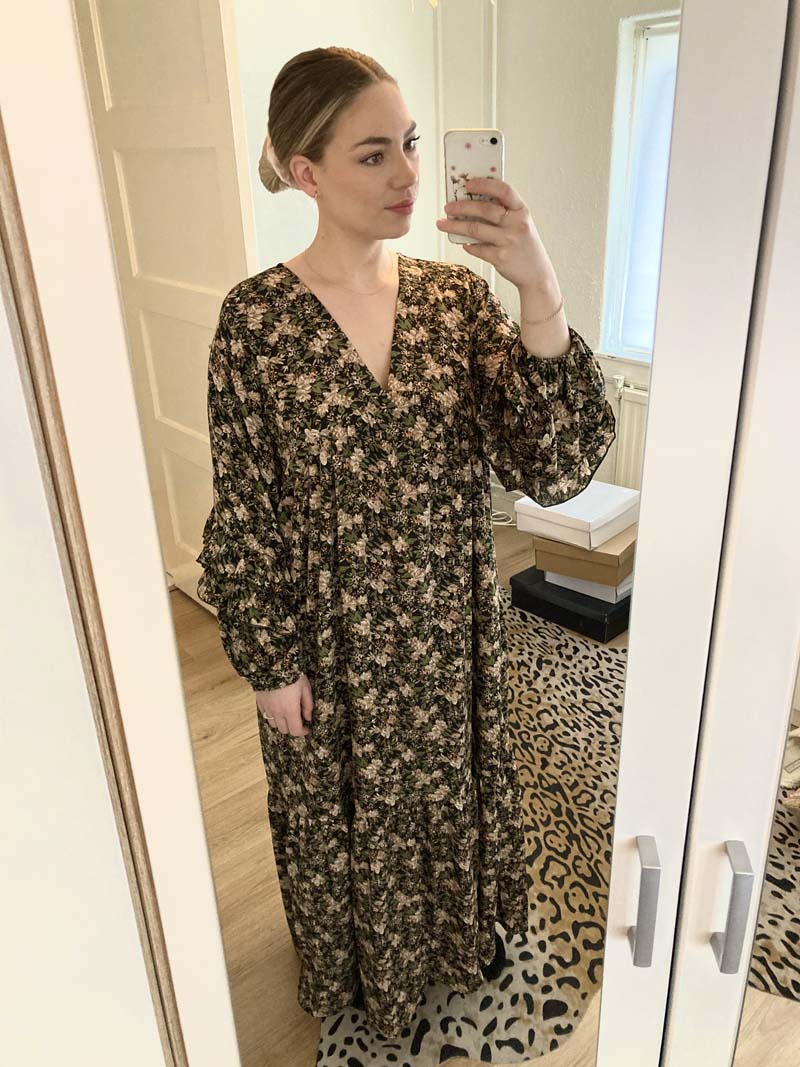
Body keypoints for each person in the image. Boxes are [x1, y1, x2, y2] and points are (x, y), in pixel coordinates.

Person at [195, 45, 616, 1038]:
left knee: (451, 792)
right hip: (332, 643)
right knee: (347, 817)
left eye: (413, 144)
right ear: (305, 172)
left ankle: (456, 939)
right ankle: (366, 974)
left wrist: (537, 283)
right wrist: (269, 660)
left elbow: (552, 462)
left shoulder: (453, 301)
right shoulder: (255, 324)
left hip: (448, 631)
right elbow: (244, 505)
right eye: (373, 154)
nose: (410, 174)